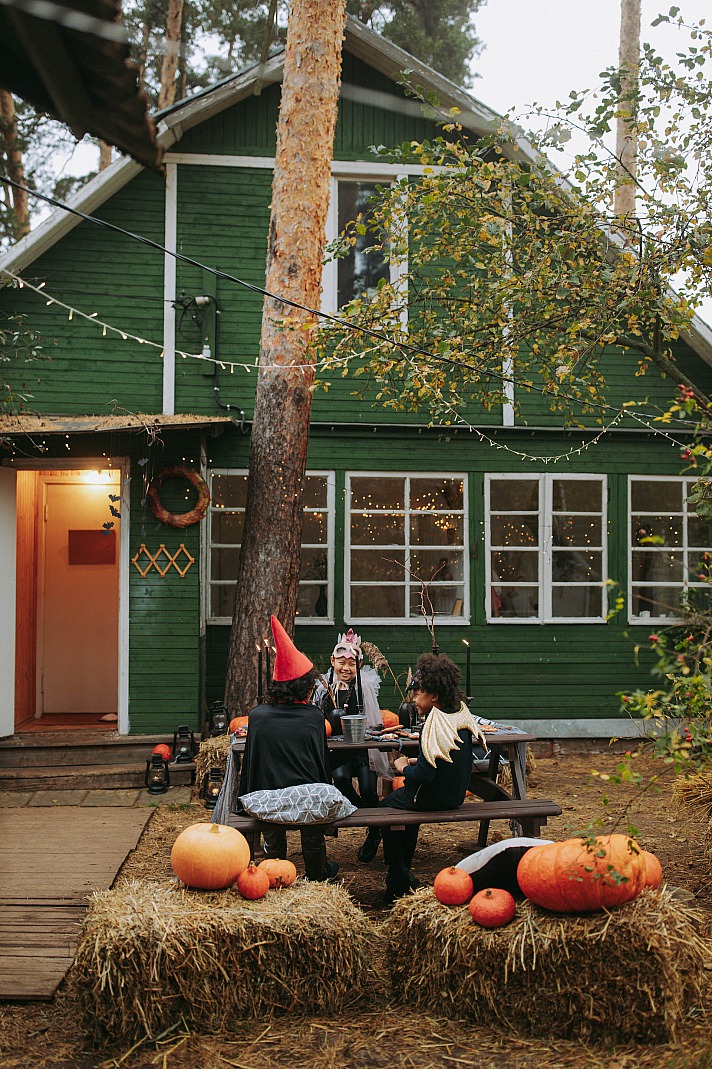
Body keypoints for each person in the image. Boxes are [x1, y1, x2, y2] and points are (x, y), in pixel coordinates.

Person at [237, 614, 338, 882]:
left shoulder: (257, 716)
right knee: (312, 833)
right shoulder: (315, 717)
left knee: (272, 834)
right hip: (308, 798)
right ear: (305, 686)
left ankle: (273, 874)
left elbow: (252, 763)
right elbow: (320, 764)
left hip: (267, 799)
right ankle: (317, 875)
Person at [380, 652, 487, 903]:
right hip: (455, 795)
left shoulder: (434, 724)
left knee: (385, 810)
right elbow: (444, 760)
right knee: (406, 817)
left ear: (434, 696)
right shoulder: (459, 714)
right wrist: (417, 760)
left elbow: (425, 776)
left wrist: (403, 767)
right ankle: (398, 880)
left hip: (432, 797)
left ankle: (399, 872)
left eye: (418, 693)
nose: (414, 699)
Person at [312, 629, 391, 863]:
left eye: (351, 663)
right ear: (332, 662)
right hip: (336, 750)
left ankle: (374, 830)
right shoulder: (324, 688)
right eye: (341, 662)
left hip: (362, 748)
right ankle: (362, 816)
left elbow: (373, 719)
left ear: (358, 665)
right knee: (341, 780)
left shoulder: (363, 687)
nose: (345, 668)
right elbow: (318, 718)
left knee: (368, 789)